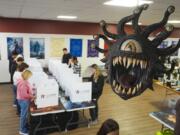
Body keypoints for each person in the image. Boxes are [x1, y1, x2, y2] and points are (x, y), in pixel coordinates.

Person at [17, 70, 33, 135]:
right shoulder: (24, 83)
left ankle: (24, 127)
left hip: (22, 99)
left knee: (24, 115)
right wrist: (32, 96)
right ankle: (22, 130)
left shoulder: (21, 80)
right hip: (24, 100)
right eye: (30, 76)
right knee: (23, 115)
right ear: (27, 75)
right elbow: (24, 94)